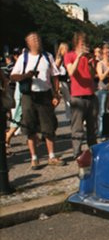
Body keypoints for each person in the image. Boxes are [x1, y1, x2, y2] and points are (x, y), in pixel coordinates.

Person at [10, 32, 65, 169]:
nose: (36, 41)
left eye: (38, 38)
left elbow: (55, 76)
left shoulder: (48, 56)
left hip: (44, 94)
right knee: (30, 126)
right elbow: (13, 76)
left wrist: (56, 94)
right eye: (33, 39)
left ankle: (51, 156)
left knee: (49, 126)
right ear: (28, 43)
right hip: (29, 95)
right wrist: (26, 75)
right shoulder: (24, 58)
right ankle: (34, 158)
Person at [64, 31, 99, 158]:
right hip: (77, 97)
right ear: (76, 43)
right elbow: (71, 72)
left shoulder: (89, 57)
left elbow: (92, 75)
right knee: (77, 127)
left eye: (86, 43)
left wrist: (90, 63)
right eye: (83, 43)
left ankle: (93, 149)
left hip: (91, 95)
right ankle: (76, 152)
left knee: (92, 127)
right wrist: (79, 57)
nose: (85, 45)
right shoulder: (69, 55)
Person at [96, 43, 109, 136]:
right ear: (102, 51)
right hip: (102, 90)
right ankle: (101, 131)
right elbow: (101, 77)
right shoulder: (100, 64)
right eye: (106, 50)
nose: (108, 52)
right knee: (102, 112)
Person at [54, 42, 72, 120]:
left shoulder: (64, 58)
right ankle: (69, 117)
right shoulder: (60, 58)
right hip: (61, 81)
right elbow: (55, 70)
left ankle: (69, 116)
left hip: (64, 81)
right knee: (67, 99)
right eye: (66, 49)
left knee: (66, 99)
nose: (67, 51)